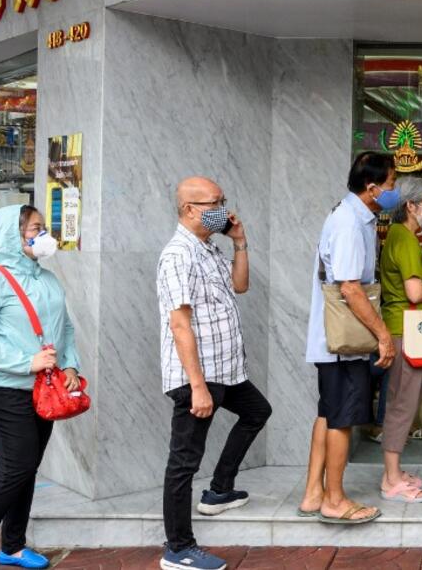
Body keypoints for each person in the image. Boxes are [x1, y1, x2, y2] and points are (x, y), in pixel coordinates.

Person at [0, 206, 81, 570]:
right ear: (12, 235)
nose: (44, 234)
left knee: (26, 469)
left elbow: (64, 327)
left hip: (42, 389)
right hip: (1, 390)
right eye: (36, 228)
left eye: (43, 227)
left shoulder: (46, 279)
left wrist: (71, 363)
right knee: (14, 469)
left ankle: (14, 545)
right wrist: (27, 362)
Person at [155, 178, 270, 570]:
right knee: (184, 462)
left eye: (223, 200)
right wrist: (198, 387)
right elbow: (180, 325)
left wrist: (239, 240)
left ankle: (219, 490)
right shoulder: (178, 255)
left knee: (257, 411)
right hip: (199, 377)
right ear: (189, 209)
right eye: (214, 203)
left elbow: (240, 285)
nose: (223, 207)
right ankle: (178, 548)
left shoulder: (206, 247)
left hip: (227, 369)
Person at [298, 152, 396, 526]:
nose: (394, 190)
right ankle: (335, 499)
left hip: (333, 341)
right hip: (342, 343)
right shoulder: (349, 223)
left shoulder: (355, 217)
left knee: (327, 412)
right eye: (390, 183)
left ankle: (313, 493)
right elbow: (352, 289)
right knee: (340, 418)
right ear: (371, 188)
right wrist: (383, 335)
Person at [375, 177, 422, 503]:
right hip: (406, 330)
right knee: (403, 404)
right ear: (410, 206)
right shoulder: (405, 240)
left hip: (404, 328)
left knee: (403, 400)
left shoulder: (398, 237)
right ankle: (391, 478)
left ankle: (394, 471)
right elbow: (414, 292)